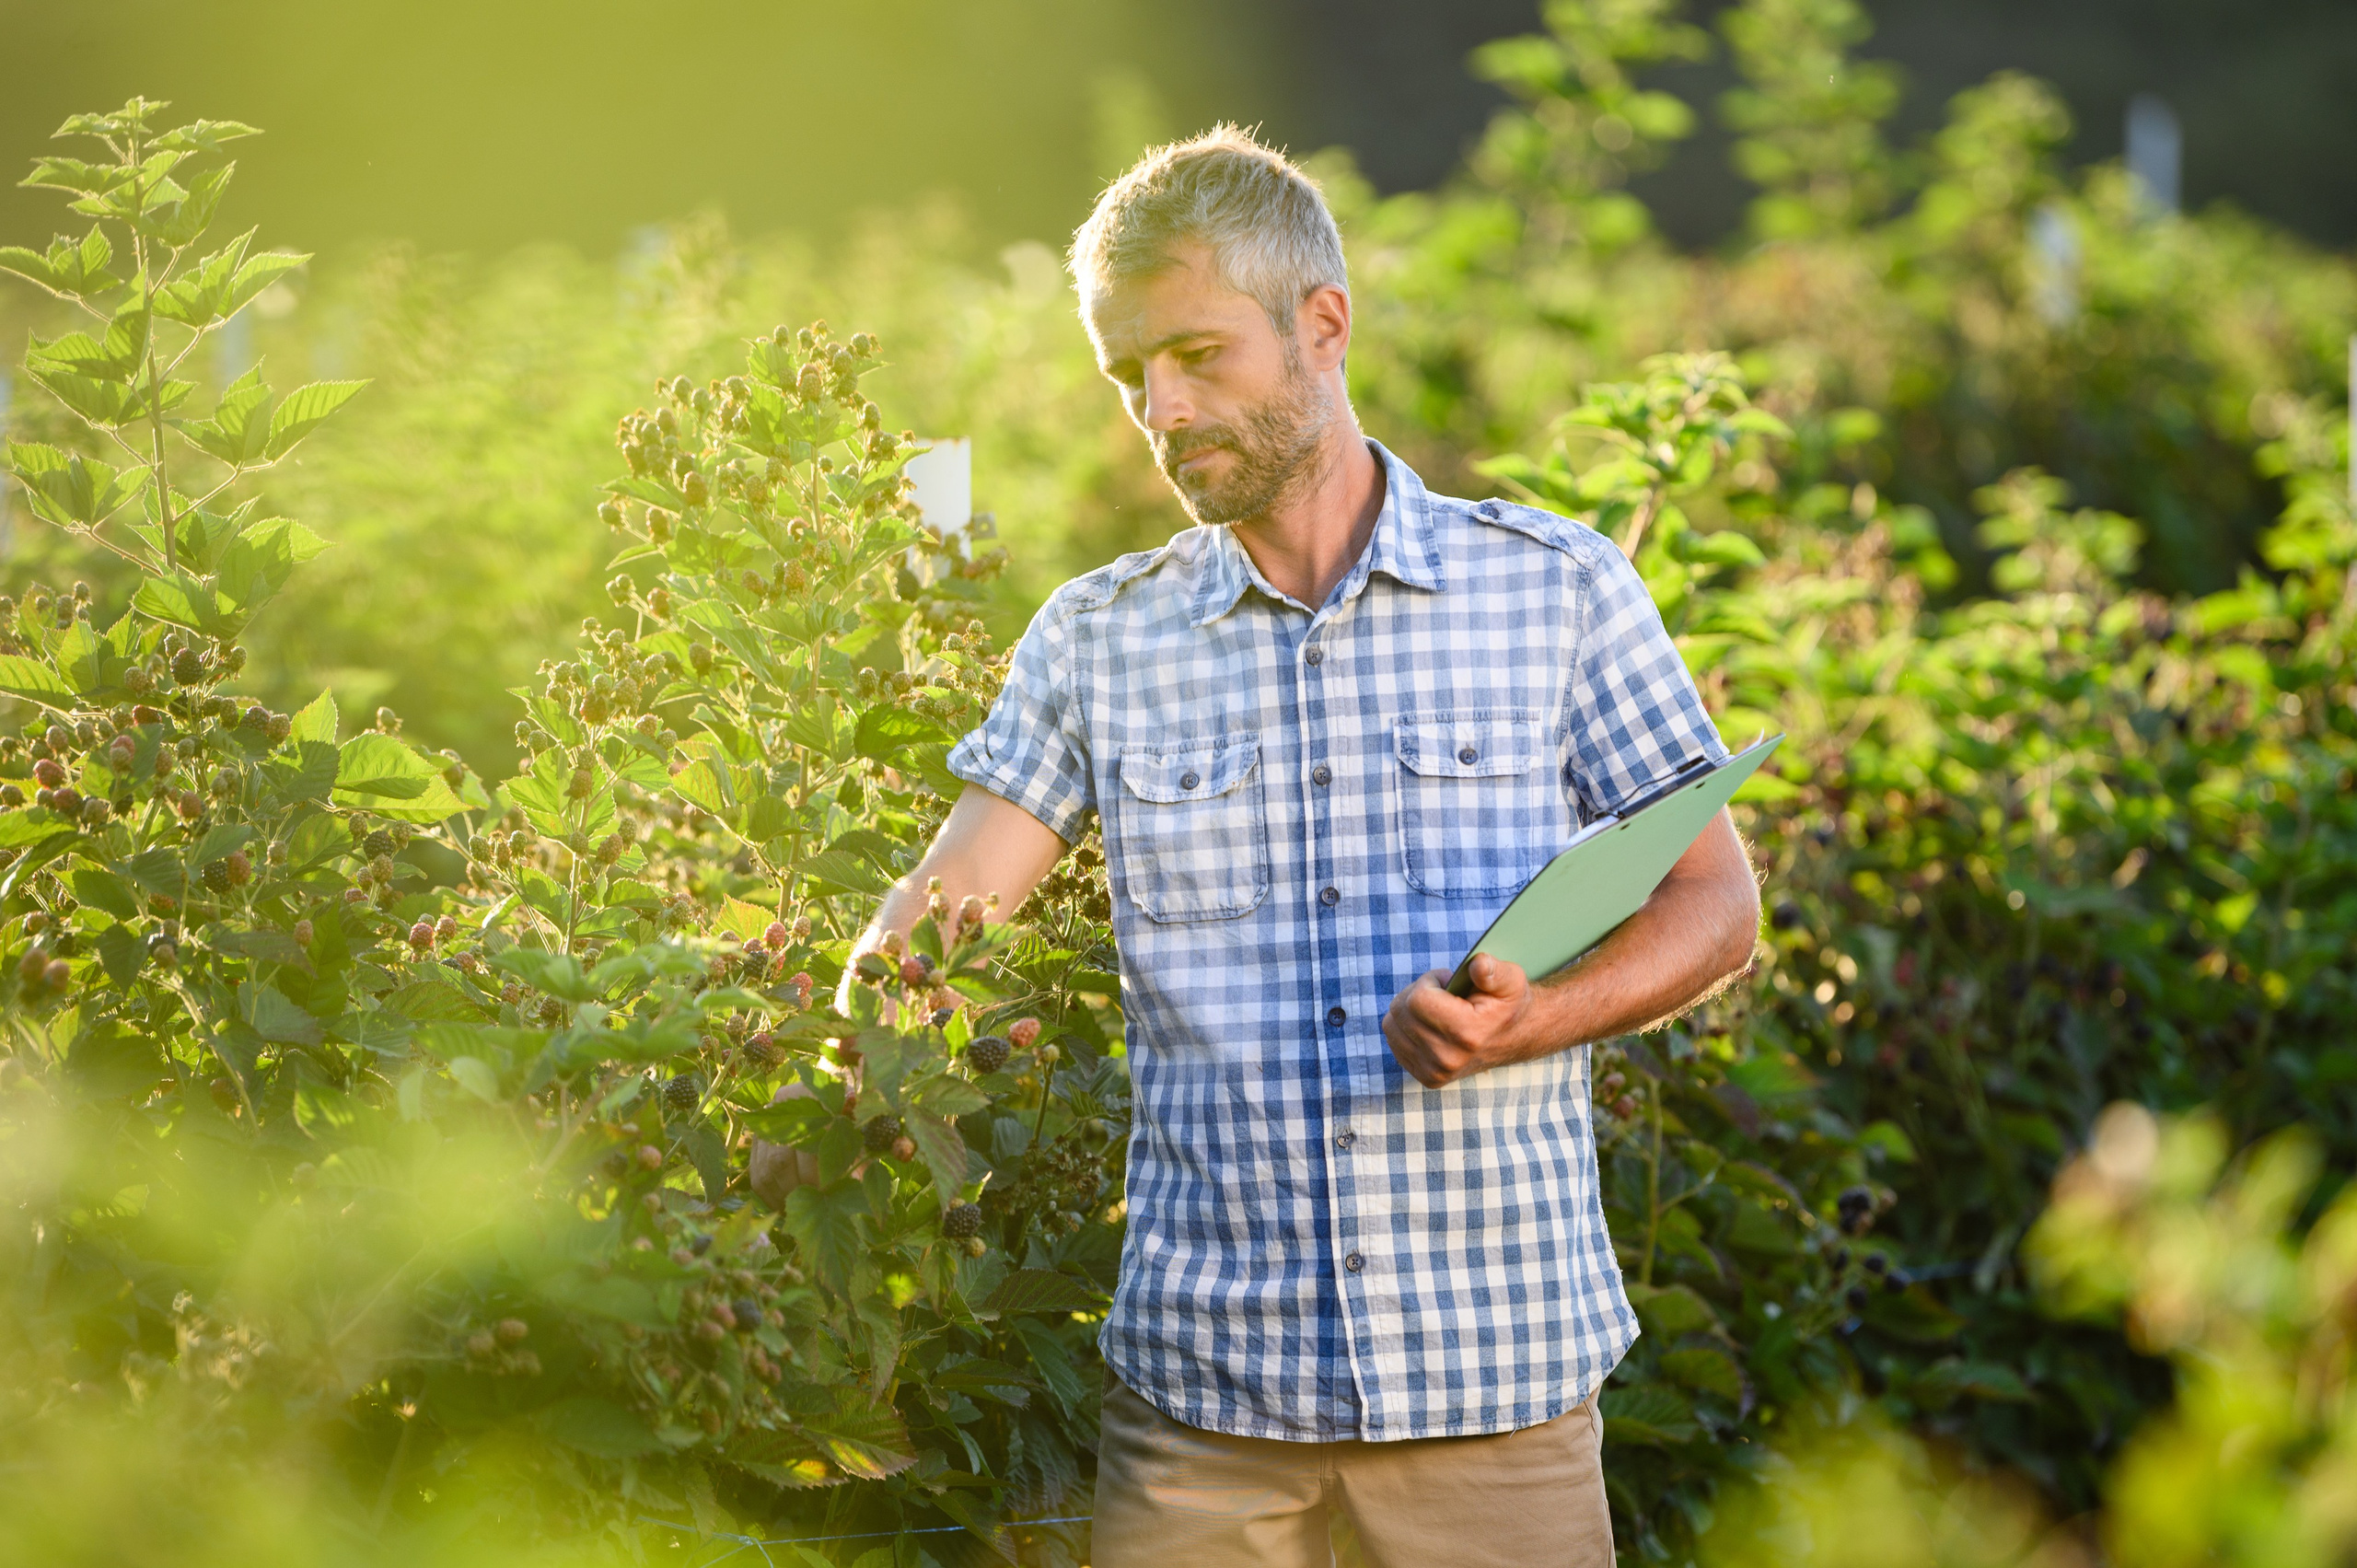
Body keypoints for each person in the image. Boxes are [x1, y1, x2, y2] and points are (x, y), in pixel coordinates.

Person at [844, 127, 1759, 1567]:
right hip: (1205, 1414)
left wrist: (1539, 1022)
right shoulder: (1097, 639)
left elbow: (1715, 902)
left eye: (1199, 353)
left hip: (1495, 1394)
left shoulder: (1560, 590)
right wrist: (806, 1058)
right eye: (1128, 373)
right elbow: (944, 916)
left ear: (1321, 325)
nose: (1161, 406)